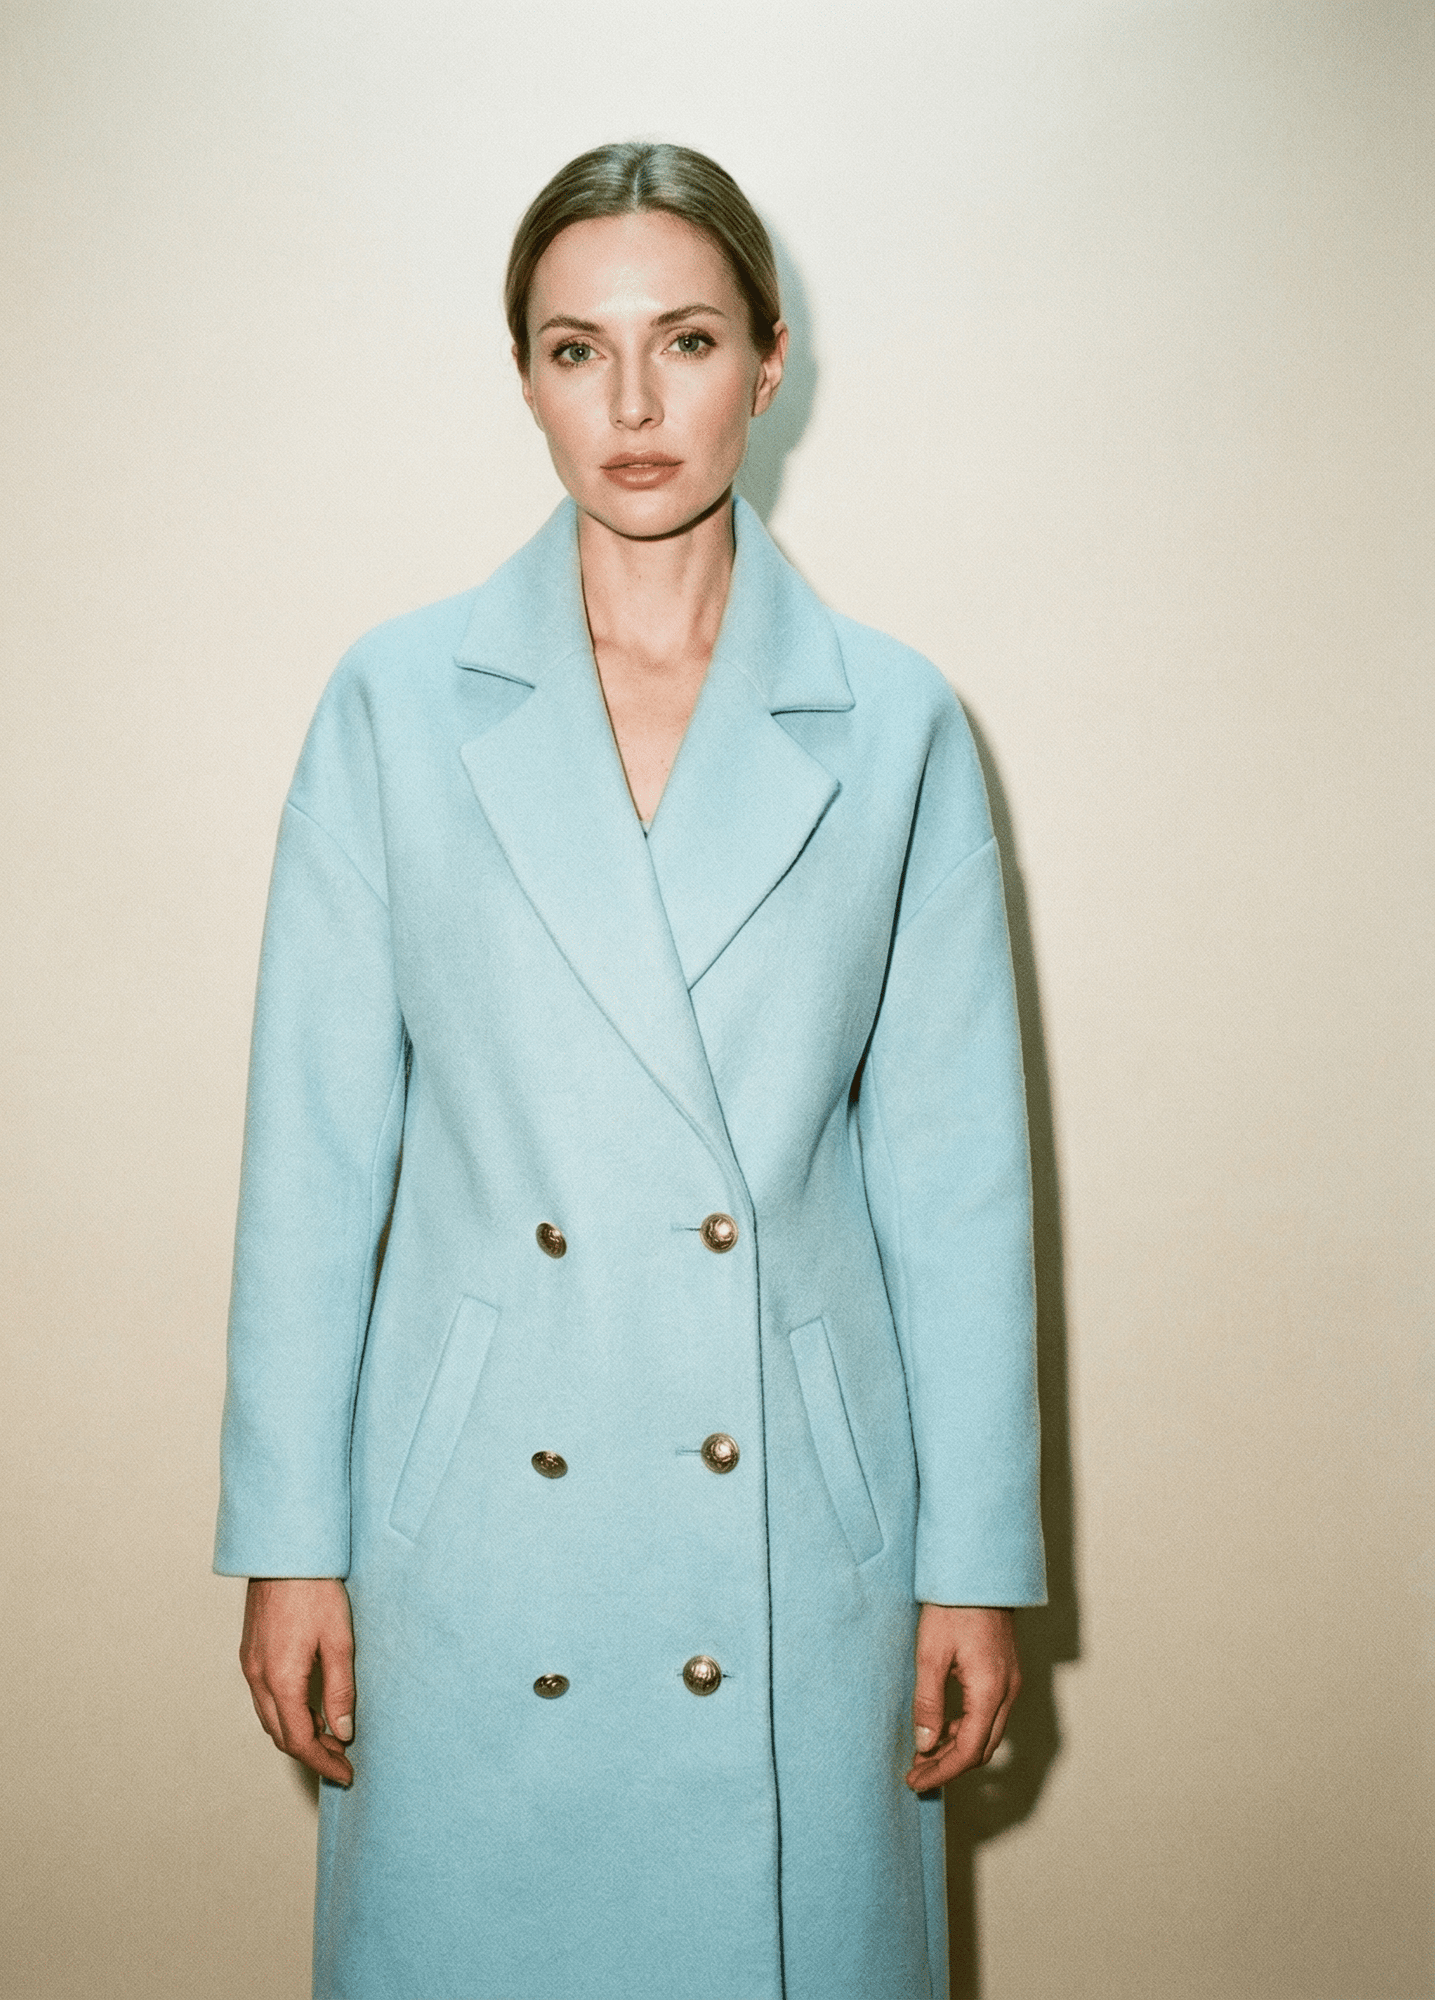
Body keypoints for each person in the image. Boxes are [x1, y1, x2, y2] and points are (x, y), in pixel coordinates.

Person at [215, 140, 1044, 2000]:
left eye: (685, 339)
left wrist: (975, 1558)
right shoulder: (394, 704)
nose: (635, 405)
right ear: (523, 378)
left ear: (769, 360)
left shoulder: (895, 722)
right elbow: (313, 1155)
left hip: (801, 1531)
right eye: (576, 350)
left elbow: (953, 1178)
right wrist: (285, 1539)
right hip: (471, 1526)